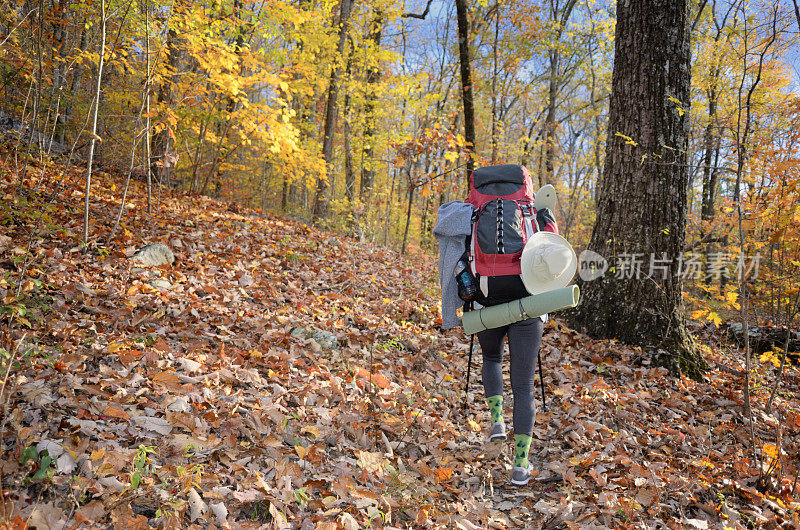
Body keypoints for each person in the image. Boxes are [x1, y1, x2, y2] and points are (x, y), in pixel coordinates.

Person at [435, 186, 561, 487]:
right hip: (528, 304)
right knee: (523, 387)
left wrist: (453, 306)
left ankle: (496, 422)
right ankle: (520, 466)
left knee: (491, 357)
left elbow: (451, 248)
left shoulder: (468, 212)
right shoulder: (534, 213)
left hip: (485, 302)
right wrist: (548, 216)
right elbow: (557, 254)